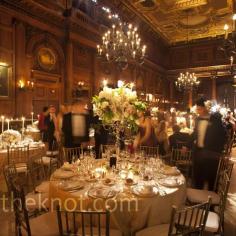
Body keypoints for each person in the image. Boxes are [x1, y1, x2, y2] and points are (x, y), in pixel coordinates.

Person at [190, 98, 227, 190]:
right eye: (197, 109)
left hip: (211, 154)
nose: (198, 112)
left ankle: (211, 202)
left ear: (205, 108)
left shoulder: (215, 119)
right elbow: (195, 133)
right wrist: (186, 145)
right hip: (198, 153)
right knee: (198, 179)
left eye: (200, 109)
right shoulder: (198, 119)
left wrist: (219, 151)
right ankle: (198, 201)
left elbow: (223, 136)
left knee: (211, 180)